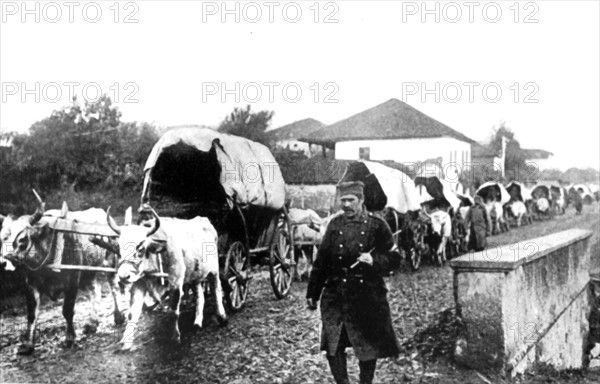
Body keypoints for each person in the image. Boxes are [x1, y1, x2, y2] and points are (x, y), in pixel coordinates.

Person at [306, 181, 401, 384]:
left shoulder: (377, 225)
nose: (346, 205)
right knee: (333, 344)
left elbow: (395, 258)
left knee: (367, 346)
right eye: (343, 200)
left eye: (351, 200)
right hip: (335, 295)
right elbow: (321, 261)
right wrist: (312, 293)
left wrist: (374, 260)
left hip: (366, 296)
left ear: (361, 200)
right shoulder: (334, 225)